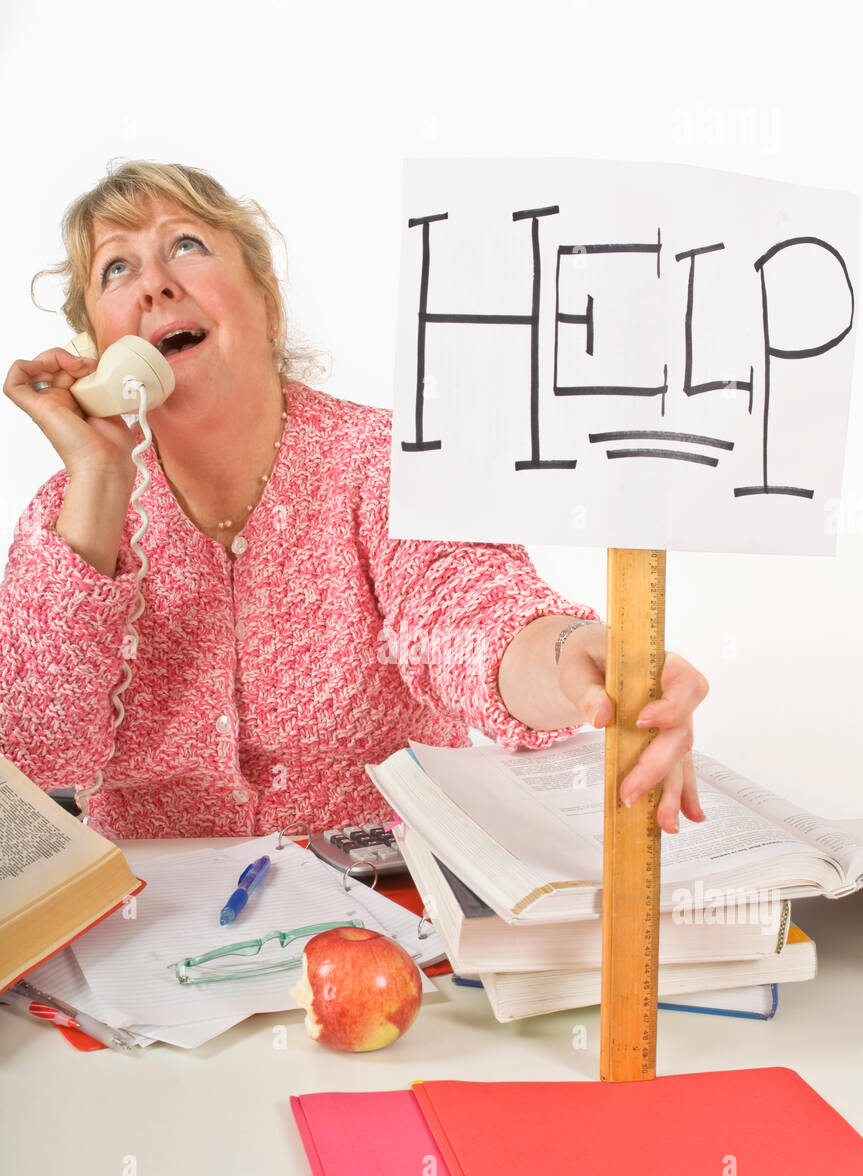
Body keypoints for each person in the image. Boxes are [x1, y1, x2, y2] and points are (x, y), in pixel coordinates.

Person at [1, 160, 708, 840]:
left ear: (267, 305)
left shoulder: (382, 462)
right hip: (153, 933)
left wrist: (571, 653)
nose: (153, 283)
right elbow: (34, 762)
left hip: (390, 908)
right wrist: (97, 478)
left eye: (185, 245)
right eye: (116, 267)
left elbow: (470, 614)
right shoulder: (69, 514)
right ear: (95, 345)